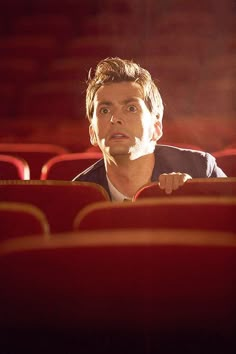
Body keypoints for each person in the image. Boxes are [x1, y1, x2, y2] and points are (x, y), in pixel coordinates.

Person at [73, 57, 226, 201]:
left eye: (131, 108)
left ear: (156, 127)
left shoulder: (201, 171)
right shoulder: (78, 194)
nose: (115, 119)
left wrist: (196, 196)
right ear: (92, 132)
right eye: (104, 111)